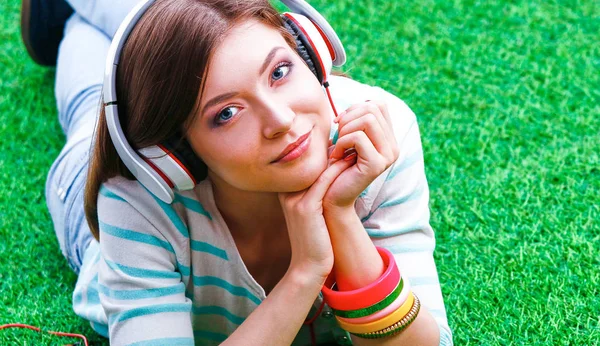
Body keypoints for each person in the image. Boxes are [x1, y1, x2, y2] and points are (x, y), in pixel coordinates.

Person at [22, 0, 453, 344]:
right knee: (88, 107)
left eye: (280, 72)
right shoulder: (138, 198)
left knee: (193, 29)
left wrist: (340, 218)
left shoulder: (378, 132)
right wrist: (305, 272)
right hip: (87, 210)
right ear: (176, 153)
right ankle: (65, 14)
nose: (281, 119)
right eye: (226, 113)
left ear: (313, 53)